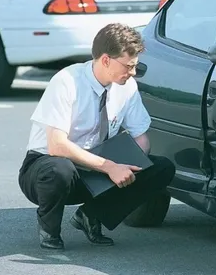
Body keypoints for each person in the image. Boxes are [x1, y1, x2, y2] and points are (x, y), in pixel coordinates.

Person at [18, 23, 175, 250]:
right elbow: (57, 146)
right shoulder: (67, 81)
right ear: (105, 60)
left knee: (161, 167)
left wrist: (131, 166)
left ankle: (92, 215)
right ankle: (49, 230)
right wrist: (110, 167)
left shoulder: (126, 86)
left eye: (135, 66)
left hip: (98, 165)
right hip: (48, 168)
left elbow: (142, 138)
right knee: (60, 169)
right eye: (128, 66)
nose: (132, 73)